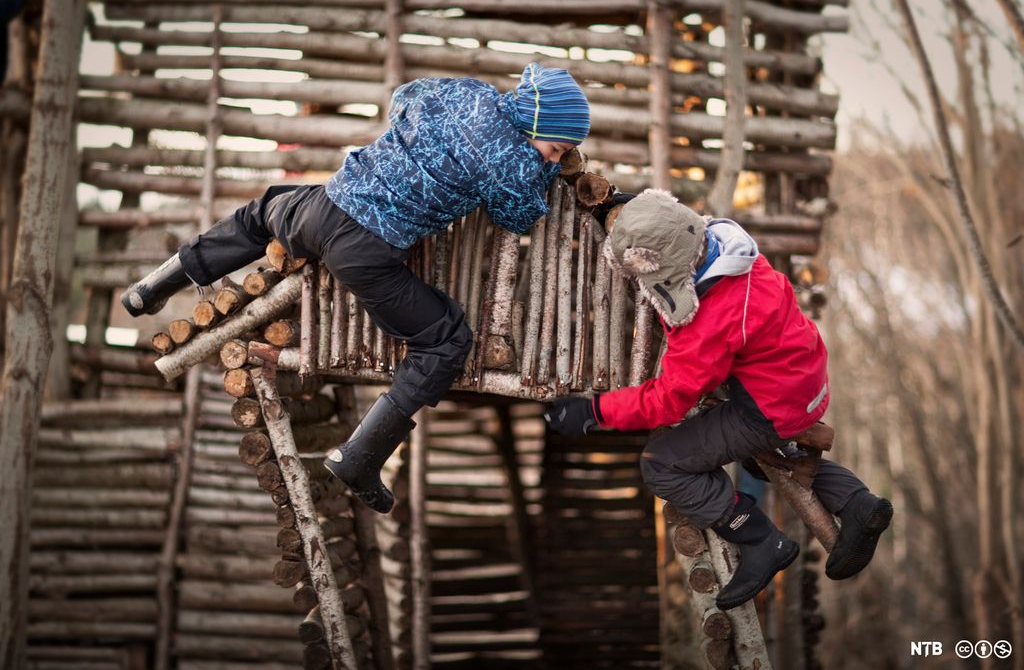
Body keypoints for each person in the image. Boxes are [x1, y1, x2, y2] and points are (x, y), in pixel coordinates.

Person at [123, 63, 591, 513]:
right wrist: (548, 172)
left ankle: (153, 286)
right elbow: (519, 214)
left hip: (324, 206)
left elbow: (402, 98)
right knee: (446, 341)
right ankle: (360, 458)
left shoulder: (467, 92)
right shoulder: (513, 160)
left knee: (260, 214)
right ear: (536, 120)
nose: (552, 157)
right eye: (554, 148)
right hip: (365, 249)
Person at [544, 189, 892, 610]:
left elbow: (671, 398)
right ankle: (858, 503)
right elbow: (673, 227)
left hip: (771, 406)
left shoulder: (711, 316)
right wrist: (632, 210)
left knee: (662, 463)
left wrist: (595, 411)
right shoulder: (734, 251)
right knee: (763, 458)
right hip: (802, 379)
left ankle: (760, 539)